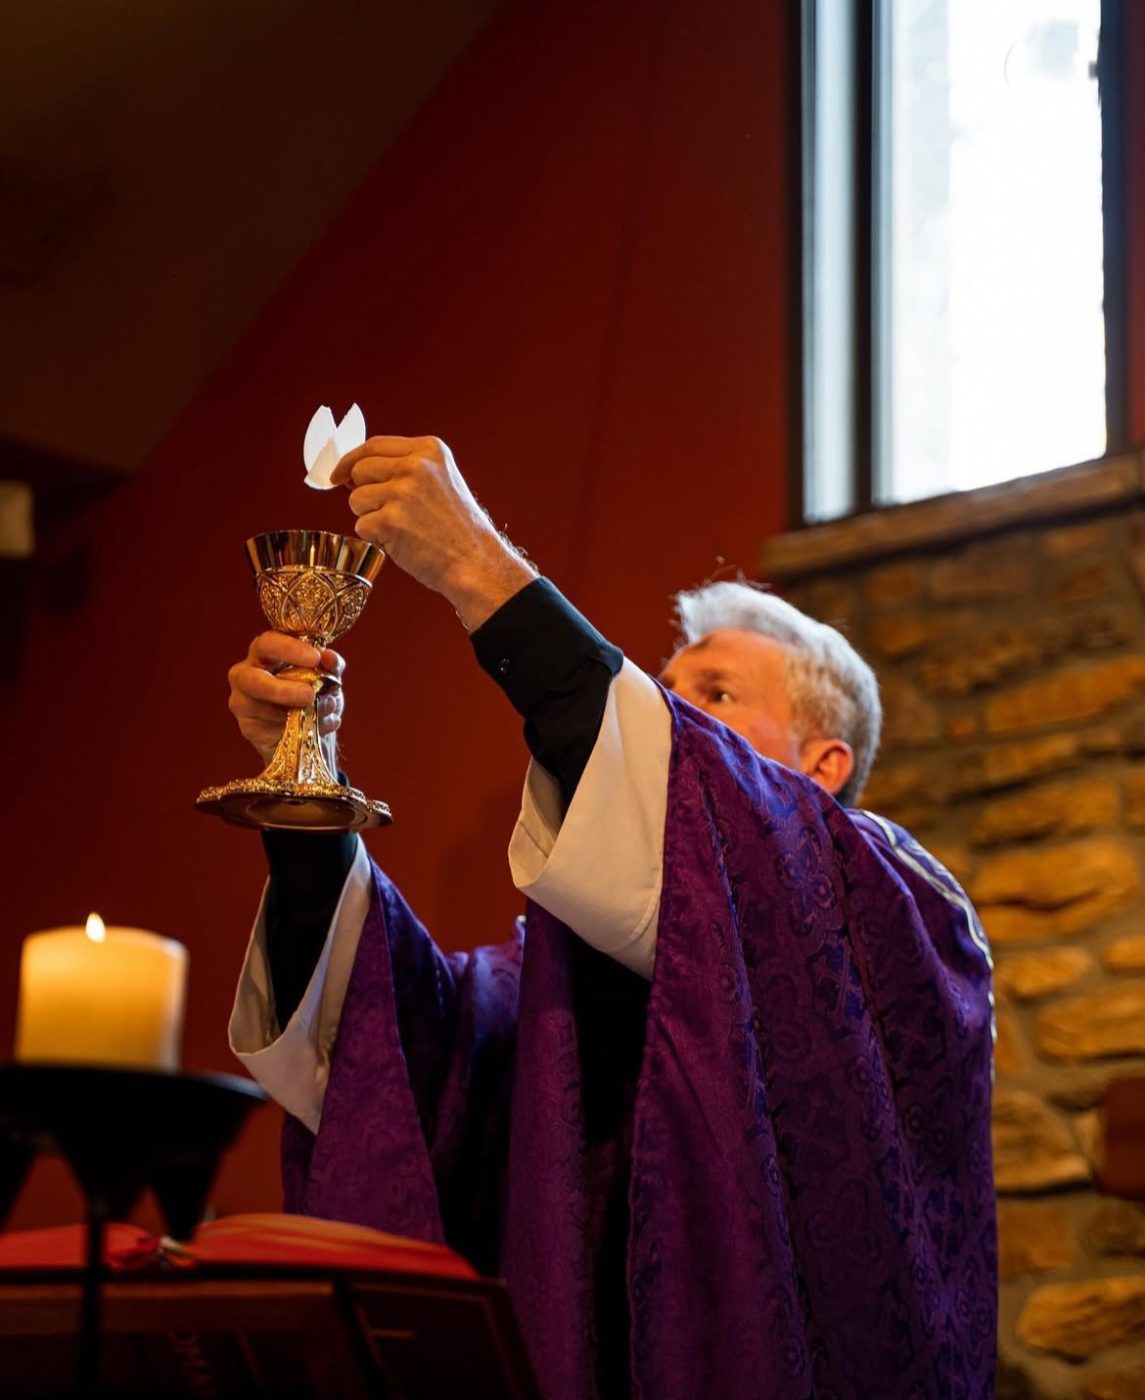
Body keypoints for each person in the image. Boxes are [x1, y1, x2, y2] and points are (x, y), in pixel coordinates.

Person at [226, 436, 997, 1400]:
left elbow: (704, 803)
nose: (669, 717)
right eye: (664, 693)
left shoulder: (903, 915)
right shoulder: (547, 968)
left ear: (823, 765)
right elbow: (403, 1054)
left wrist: (478, 566)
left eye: (712, 695)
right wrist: (309, 799)